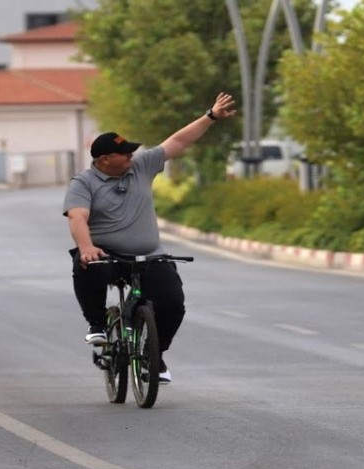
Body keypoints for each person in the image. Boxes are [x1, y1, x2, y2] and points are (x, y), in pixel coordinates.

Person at [62, 92, 236, 384]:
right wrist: (87, 246)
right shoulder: (84, 183)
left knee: (172, 302)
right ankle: (97, 325)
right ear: (105, 159)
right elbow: (77, 216)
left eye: (131, 151)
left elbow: (178, 141)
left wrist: (211, 116)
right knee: (87, 266)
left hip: (150, 255)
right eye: (125, 153)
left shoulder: (140, 166)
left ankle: (155, 355)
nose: (132, 156)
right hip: (108, 254)